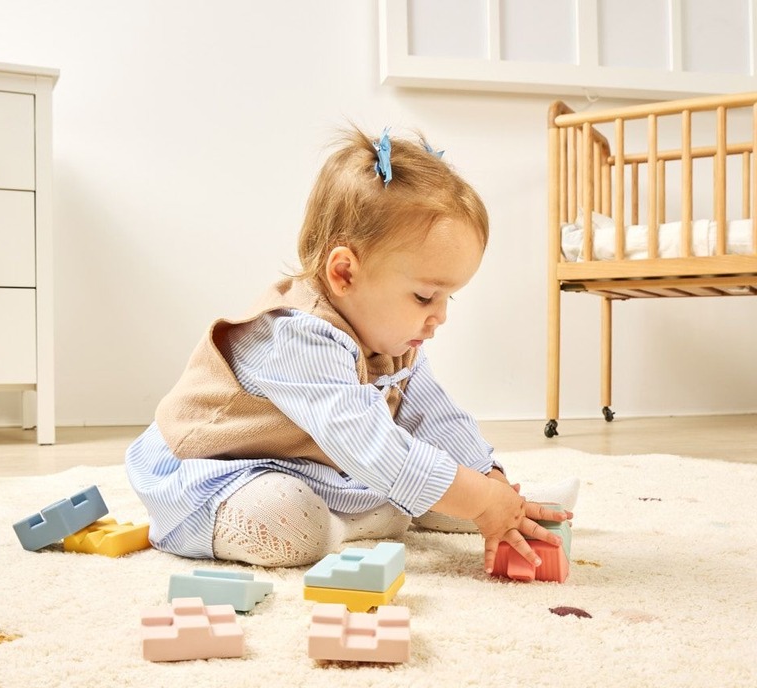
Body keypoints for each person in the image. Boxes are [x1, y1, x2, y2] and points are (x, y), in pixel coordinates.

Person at [125, 127, 577, 573]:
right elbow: (371, 446)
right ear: (344, 273)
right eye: (425, 296)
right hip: (210, 475)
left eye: (448, 298)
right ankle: (365, 521)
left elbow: (435, 417)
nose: (439, 316)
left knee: (441, 476)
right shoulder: (295, 337)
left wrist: (491, 480)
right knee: (289, 518)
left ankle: (493, 503)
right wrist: (478, 499)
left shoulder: (393, 340)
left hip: (303, 466)